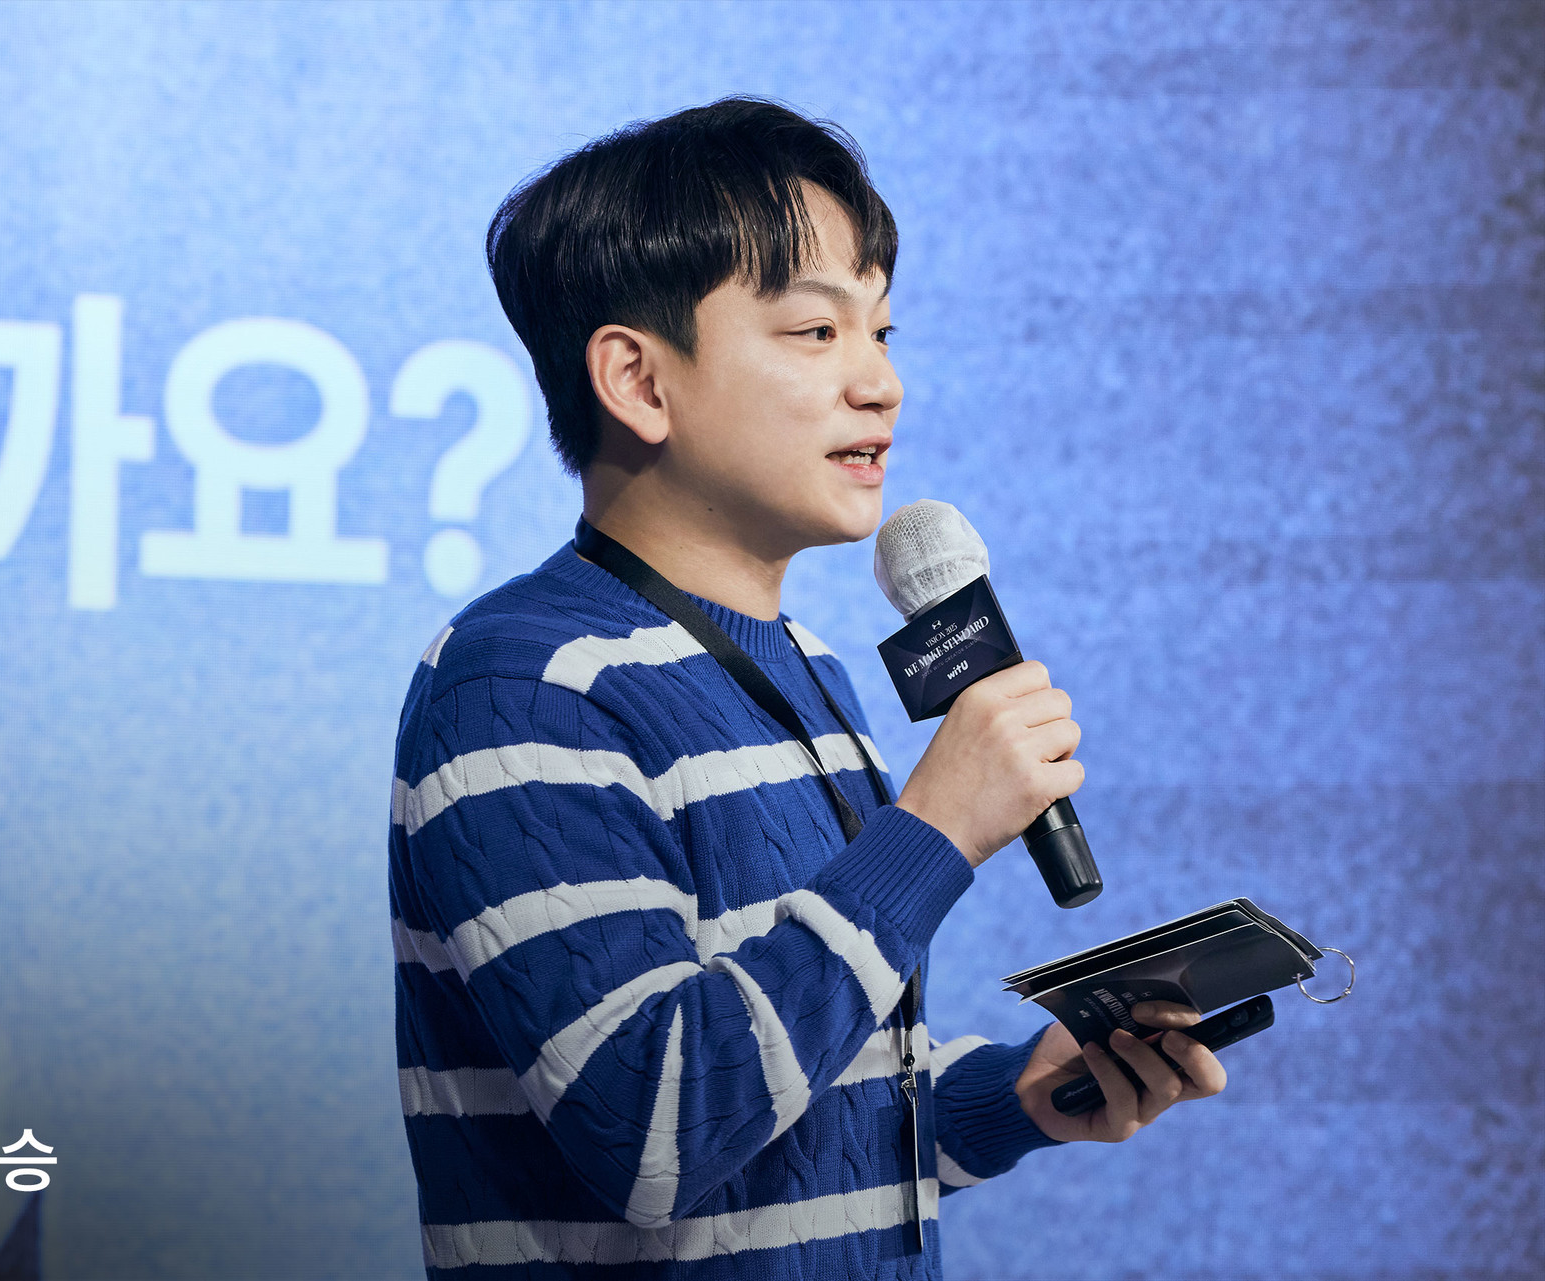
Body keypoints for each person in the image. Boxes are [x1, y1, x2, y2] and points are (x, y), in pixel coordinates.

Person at [387, 96, 1226, 1279]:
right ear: (637, 380)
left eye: (883, 330)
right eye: (817, 332)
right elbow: (655, 1135)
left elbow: (794, 1114)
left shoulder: (810, 669)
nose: (880, 383)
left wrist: (1011, 1099)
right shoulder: (521, 682)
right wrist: (934, 832)